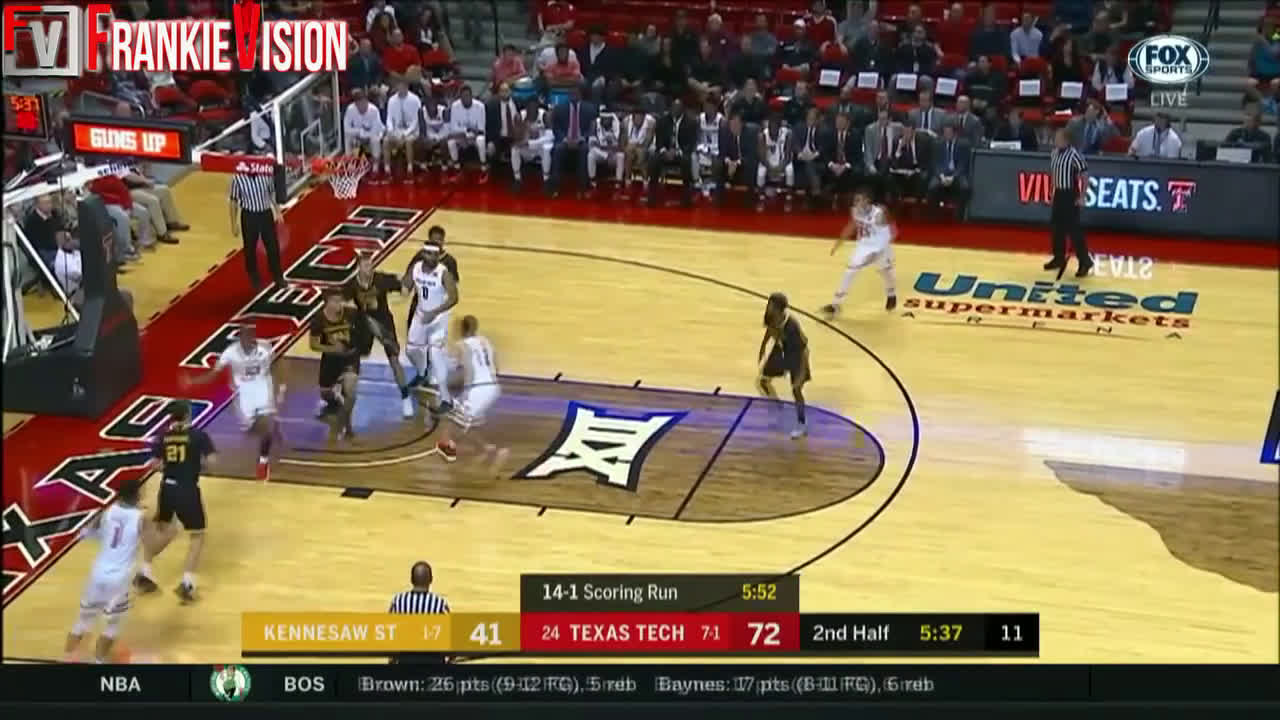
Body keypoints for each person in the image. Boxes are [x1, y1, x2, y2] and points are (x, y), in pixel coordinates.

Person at [133, 400, 216, 603]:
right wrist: (196, 466)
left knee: (166, 530)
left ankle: (145, 571)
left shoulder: (163, 436)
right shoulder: (198, 435)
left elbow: (155, 464)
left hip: (167, 488)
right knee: (197, 535)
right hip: (187, 489)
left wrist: (171, 466)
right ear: (187, 415)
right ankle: (187, 583)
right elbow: (211, 462)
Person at [181, 322, 284, 480]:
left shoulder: (265, 347)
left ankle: (263, 461)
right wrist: (193, 382)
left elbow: (276, 364)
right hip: (244, 394)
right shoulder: (230, 352)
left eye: (249, 335)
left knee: (267, 425)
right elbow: (214, 373)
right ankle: (268, 432)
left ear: (253, 336)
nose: (246, 339)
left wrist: (280, 386)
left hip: (263, 389)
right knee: (251, 430)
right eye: (243, 336)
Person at [65, 477, 149, 663]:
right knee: (112, 626)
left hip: (98, 574)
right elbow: (151, 544)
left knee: (82, 621)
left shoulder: (106, 511)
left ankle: (66, 661)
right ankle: (99, 662)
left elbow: (86, 533)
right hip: (119, 578)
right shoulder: (141, 518)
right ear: (137, 494)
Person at [345, 252, 414, 418]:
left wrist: (406, 286)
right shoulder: (351, 285)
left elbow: (403, 287)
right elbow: (343, 303)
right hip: (364, 324)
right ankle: (345, 395)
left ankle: (406, 398)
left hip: (384, 323)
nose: (369, 268)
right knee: (352, 358)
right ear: (358, 267)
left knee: (394, 360)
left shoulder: (381, 279)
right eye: (366, 265)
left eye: (371, 264)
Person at [435, 315, 507, 472]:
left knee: (454, 418)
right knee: (470, 421)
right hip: (493, 387)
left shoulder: (461, 346)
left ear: (462, 329)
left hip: (477, 389)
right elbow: (496, 367)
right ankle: (485, 447)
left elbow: (450, 369)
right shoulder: (486, 342)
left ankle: (447, 446)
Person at [402, 240, 460, 416]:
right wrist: (402, 289)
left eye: (435, 254)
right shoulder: (416, 268)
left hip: (438, 318)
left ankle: (446, 400)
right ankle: (422, 372)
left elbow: (454, 298)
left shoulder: (443, 273)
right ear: (423, 254)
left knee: (435, 355)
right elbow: (406, 285)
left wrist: (434, 313)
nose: (432, 257)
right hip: (421, 314)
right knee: (411, 350)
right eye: (429, 254)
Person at [822, 188, 898, 317]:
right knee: (850, 271)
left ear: (867, 201)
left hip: (880, 246)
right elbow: (851, 226)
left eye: (858, 200)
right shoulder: (855, 211)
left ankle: (891, 294)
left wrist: (878, 252)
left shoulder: (879, 213)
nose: (855, 202)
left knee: (886, 272)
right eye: (855, 200)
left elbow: (889, 233)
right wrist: (839, 243)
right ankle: (836, 304)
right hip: (863, 246)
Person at [309, 290, 362, 442]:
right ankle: (336, 406)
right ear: (327, 302)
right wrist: (333, 349)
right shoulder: (318, 320)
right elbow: (313, 345)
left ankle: (346, 427)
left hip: (350, 358)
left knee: (350, 393)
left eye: (341, 301)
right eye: (336, 301)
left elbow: (363, 330)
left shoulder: (351, 314)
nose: (340, 304)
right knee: (325, 393)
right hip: (330, 359)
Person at [757, 293, 811, 440]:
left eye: (771, 305)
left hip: (797, 355)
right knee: (762, 381)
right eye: (769, 304)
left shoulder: (792, 326)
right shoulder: (770, 317)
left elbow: (804, 350)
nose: (768, 307)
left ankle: (802, 424)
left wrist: (801, 373)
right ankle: (777, 409)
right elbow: (769, 330)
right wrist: (763, 348)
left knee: (796, 390)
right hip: (781, 349)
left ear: (779, 309)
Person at [1046, 128, 1093, 277]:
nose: (1055, 140)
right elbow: (1054, 174)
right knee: (1057, 228)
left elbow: (1085, 175)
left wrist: (1082, 196)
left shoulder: (1074, 155)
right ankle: (1058, 257)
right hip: (1059, 193)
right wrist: (1052, 191)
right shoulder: (1054, 153)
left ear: (1066, 140)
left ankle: (1085, 261)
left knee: (1074, 230)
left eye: (1058, 138)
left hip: (1070, 194)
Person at [229, 165, 284, 291]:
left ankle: (278, 276)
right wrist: (233, 224)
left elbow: (272, 193)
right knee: (250, 249)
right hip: (249, 216)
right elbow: (233, 201)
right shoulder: (238, 178)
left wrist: (278, 211)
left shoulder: (265, 174)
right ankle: (254, 278)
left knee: (273, 246)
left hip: (265, 214)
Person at [388, 561, 450, 664]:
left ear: (411, 580)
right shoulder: (440, 603)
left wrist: (392, 659)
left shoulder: (398, 601)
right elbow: (449, 636)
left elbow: (390, 633)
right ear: (431, 580)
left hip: (405, 660)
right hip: (433, 661)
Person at [648, 100, 697, 207]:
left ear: (682, 110)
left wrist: (677, 152)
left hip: (681, 153)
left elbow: (691, 143)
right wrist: (665, 151)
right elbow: (659, 140)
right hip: (665, 152)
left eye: (678, 108)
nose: (675, 110)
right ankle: (652, 195)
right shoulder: (662, 121)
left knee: (686, 161)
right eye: (673, 108)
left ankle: (687, 196)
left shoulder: (691, 122)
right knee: (654, 159)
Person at [550, 86, 597, 197]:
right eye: (571, 94)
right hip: (565, 140)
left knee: (585, 149)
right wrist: (565, 139)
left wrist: (582, 138)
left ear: (580, 95)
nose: (574, 96)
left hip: (582, 140)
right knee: (557, 149)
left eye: (576, 94)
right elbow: (556, 128)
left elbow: (592, 128)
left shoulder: (589, 108)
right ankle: (554, 185)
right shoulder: (560, 108)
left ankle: (583, 186)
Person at [713, 112, 756, 207]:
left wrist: (736, 163)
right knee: (718, 164)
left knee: (751, 165)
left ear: (742, 124)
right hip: (730, 163)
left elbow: (751, 155)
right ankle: (719, 197)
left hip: (743, 164)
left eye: (736, 124)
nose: (734, 127)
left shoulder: (750, 133)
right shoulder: (724, 131)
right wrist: (729, 162)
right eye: (732, 124)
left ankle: (750, 198)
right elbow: (722, 152)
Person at [511, 97, 554, 190]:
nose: (532, 110)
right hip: (526, 147)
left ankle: (546, 179)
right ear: (526, 108)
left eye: (534, 107)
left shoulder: (545, 115)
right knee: (514, 149)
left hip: (539, 147)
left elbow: (550, 137)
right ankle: (517, 179)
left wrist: (531, 143)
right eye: (530, 107)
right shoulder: (519, 116)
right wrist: (524, 130)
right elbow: (516, 138)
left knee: (547, 148)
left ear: (538, 107)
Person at [447, 85, 487, 180]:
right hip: (461, 136)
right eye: (463, 96)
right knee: (451, 142)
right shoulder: (455, 106)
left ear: (471, 96)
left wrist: (468, 134)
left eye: (467, 96)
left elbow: (481, 129)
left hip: (475, 136)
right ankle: (457, 168)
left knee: (481, 141)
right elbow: (453, 127)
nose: (465, 98)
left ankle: (484, 168)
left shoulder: (480, 106)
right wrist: (466, 132)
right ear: (460, 97)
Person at [927, 123, 971, 210]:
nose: (946, 135)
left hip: (957, 174)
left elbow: (962, 164)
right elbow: (935, 164)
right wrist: (941, 176)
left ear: (954, 133)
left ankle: (959, 214)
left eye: (949, 132)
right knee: (932, 188)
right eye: (945, 132)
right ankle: (935, 214)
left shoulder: (963, 145)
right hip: (942, 174)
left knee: (965, 188)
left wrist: (953, 177)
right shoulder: (937, 144)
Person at [384, 80, 422, 178]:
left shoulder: (415, 99)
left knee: (408, 141)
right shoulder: (391, 100)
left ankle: (410, 168)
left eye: (402, 86)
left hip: (412, 130)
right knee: (386, 140)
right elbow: (389, 118)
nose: (400, 88)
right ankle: (387, 168)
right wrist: (391, 130)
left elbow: (416, 120)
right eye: (398, 86)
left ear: (407, 86)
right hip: (396, 130)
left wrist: (405, 134)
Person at [823, 111, 862, 204]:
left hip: (848, 164)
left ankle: (848, 195)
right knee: (822, 168)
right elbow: (824, 153)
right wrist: (832, 165)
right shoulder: (828, 134)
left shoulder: (855, 135)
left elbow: (857, 155)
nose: (838, 123)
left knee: (857, 170)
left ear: (848, 123)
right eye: (837, 121)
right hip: (833, 164)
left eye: (841, 121)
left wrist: (845, 166)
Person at [756, 112, 794, 204]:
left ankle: (789, 194)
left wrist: (781, 166)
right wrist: (770, 168)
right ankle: (761, 194)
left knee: (789, 171)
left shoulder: (788, 134)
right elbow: (761, 156)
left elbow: (788, 154)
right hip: (767, 161)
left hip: (783, 160)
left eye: (775, 127)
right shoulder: (762, 136)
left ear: (779, 127)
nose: (772, 130)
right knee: (760, 173)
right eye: (770, 127)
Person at [486, 82, 521, 180]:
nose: (504, 93)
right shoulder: (491, 105)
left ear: (510, 92)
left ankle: (516, 176)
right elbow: (488, 125)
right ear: (498, 93)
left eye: (506, 91)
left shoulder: (517, 102)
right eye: (502, 91)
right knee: (491, 149)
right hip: (499, 137)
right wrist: (490, 141)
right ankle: (492, 176)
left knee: (517, 150)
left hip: (514, 137)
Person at [793, 106, 825, 207]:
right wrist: (799, 153)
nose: (810, 121)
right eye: (808, 118)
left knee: (810, 164)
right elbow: (795, 142)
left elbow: (823, 147)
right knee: (808, 164)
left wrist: (814, 155)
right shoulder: (799, 127)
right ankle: (816, 191)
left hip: (816, 159)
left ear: (818, 120)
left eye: (812, 119)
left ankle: (814, 192)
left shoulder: (823, 130)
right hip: (800, 157)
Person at [343, 89, 385, 165]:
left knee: (375, 139)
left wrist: (364, 135)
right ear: (355, 104)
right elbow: (346, 129)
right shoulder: (350, 109)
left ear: (366, 101)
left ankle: (376, 165)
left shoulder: (374, 110)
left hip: (374, 134)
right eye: (359, 105)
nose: (361, 107)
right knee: (348, 137)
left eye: (363, 103)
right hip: (359, 135)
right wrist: (359, 132)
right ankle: (349, 162)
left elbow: (375, 130)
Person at [694, 98, 725, 197]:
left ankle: (713, 182)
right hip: (703, 147)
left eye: (710, 107)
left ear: (715, 107)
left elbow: (724, 139)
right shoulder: (699, 119)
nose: (708, 109)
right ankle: (697, 180)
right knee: (693, 156)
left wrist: (717, 150)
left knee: (717, 158)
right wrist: (698, 147)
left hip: (717, 148)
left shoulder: (721, 120)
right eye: (706, 107)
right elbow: (696, 137)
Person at [621, 106, 655, 194]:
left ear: (644, 117)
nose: (638, 120)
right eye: (636, 118)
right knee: (628, 154)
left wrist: (637, 148)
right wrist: (627, 149)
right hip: (631, 145)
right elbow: (623, 141)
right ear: (632, 117)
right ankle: (627, 180)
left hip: (648, 146)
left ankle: (645, 181)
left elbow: (648, 141)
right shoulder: (626, 122)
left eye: (640, 118)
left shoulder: (651, 122)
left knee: (641, 154)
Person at [587, 111, 624, 188]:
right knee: (591, 155)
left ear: (611, 119)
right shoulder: (594, 124)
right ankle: (592, 179)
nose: (605, 121)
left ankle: (619, 181)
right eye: (604, 119)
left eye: (607, 119)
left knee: (621, 156)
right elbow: (591, 143)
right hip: (600, 153)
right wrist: (605, 154)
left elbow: (621, 145)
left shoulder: (618, 125)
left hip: (613, 153)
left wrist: (612, 149)